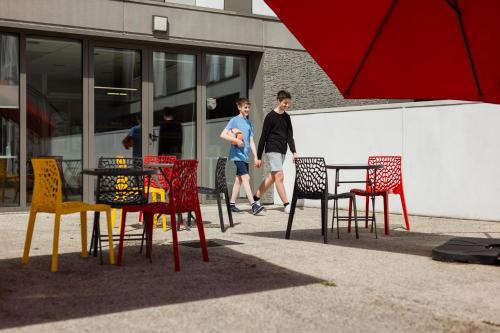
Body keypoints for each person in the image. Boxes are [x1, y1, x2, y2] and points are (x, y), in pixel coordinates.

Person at [254, 90, 297, 214]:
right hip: (272, 149)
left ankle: (255, 198)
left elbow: (290, 136)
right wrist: (258, 156)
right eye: (285, 103)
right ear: (278, 101)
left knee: (273, 177)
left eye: (288, 103)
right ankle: (287, 205)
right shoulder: (270, 117)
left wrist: (294, 152)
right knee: (279, 176)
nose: (287, 106)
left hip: (282, 149)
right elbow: (263, 137)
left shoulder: (287, 117)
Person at [220, 98, 264, 215]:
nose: (247, 109)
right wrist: (236, 140)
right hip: (237, 155)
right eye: (245, 107)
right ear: (239, 107)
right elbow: (223, 134)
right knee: (246, 178)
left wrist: (256, 156)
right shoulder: (234, 120)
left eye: (249, 107)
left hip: (245, 156)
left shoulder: (249, 123)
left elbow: (251, 141)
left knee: (238, 180)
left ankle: (232, 204)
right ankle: (253, 205)